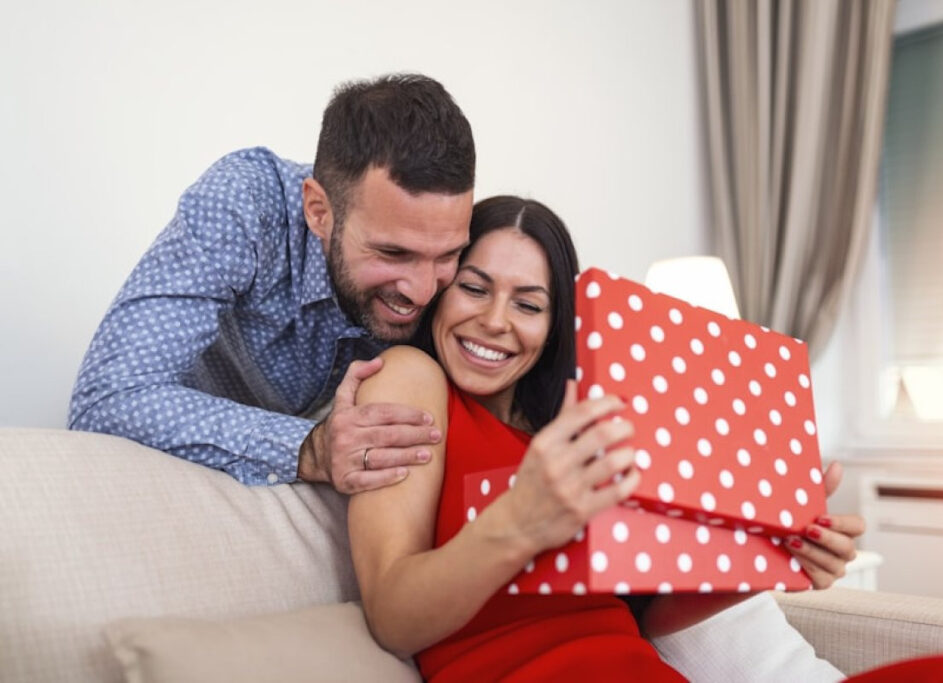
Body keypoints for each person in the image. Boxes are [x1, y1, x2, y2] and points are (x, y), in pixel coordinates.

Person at [348, 196, 863, 681]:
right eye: (475, 288)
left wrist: (776, 556)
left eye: (528, 306)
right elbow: (393, 619)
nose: (495, 320)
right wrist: (520, 518)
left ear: (554, 327)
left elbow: (647, 616)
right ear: (440, 290)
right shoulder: (412, 376)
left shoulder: (574, 431)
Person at [68, 73, 475, 494]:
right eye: (393, 253)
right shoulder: (245, 204)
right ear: (318, 211)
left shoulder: (473, 259)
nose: (425, 290)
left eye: (447, 255)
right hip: (163, 478)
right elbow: (105, 400)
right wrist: (310, 448)